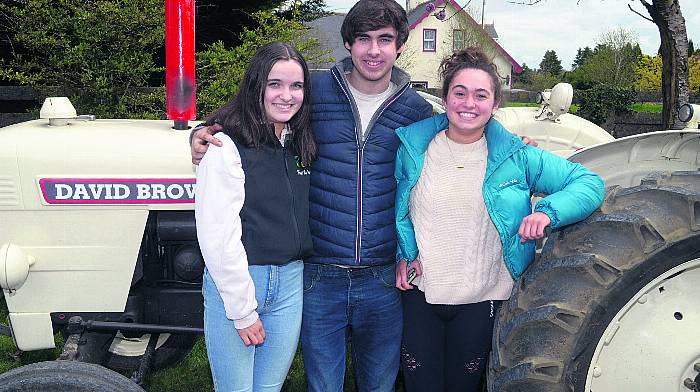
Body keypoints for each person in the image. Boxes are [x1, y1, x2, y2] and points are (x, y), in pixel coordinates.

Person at [191, 1, 434, 390]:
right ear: (348, 44)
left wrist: (511, 147)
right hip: (319, 274)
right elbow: (250, 115)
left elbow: (464, 132)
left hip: (382, 276)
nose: (374, 50)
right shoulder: (313, 90)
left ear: (400, 45)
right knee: (322, 383)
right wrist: (202, 133)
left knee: (380, 383)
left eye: (385, 40)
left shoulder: (417, 112)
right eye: (364, 39)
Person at [393, 47, 605, 392]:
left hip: (483, 298)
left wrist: (547, 212)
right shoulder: (412, 148)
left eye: (481, 95)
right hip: (420, 294)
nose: (468, 103)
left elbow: (589, 183)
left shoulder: (517, 156)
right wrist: (404, 254)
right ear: (445, 98)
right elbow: (399, 210)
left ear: (494, 105)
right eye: (459, 93)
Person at [194, 42, 316, 392]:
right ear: (256, 85)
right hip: (239, 281)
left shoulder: (299, 139)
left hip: (291, 282)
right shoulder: (224, 145)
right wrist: (243, 310)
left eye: (296, 86)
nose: (286, 95)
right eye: (275, 84)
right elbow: (217, 234)